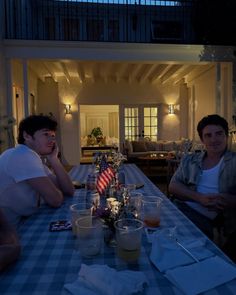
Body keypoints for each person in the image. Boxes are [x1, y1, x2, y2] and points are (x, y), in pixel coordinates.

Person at [168, 114, 236, 260]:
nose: (214, 139)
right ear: (202, 139)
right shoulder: (190, 160)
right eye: (208, 135)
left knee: (178, 253)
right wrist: (199, 198)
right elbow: (173, 186)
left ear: (226, 136)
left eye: (219, 134)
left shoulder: (234, 162)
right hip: (180, 209)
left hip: (208, 220)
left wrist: (228, 200)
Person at [0, 115, 74, 226]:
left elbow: (68, 190)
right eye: (46, 134)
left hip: (22, 223)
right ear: (27, 136)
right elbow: (55, 200)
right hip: (9, 234)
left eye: (53, 136)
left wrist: (53, 159)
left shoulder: (31, 158)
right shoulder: (21, 155)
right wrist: (54, 192)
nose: (52, 140)